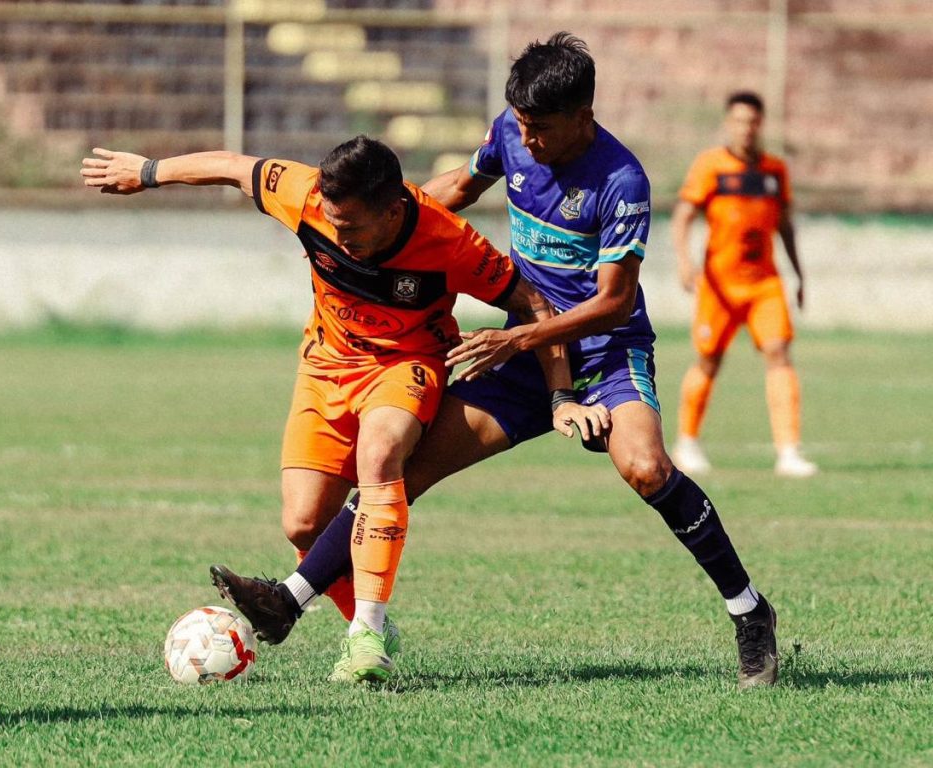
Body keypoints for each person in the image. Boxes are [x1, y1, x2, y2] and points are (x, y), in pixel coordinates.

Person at [212, 33, 780, 689]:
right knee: (397, 475)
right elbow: (457, 186)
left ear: (582, 116)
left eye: (540, 128)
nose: (527, 138)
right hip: (525, 350)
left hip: (602, 350)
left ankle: (748, 610)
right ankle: (287, 602)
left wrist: (521, 343)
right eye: (521, 124)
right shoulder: (511, 134)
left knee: (646, 467)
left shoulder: (621, 181)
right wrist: (393, 231)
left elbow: (615, 302)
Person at [81, 135, 592, 684]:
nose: (338, 236)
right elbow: (233, 166)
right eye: (332, 223)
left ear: (394, 209)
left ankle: (366, 635)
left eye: (351, 227)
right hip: (326, 366)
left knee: (381, 454)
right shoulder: (305, 195)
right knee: (303, 523)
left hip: (407, 365)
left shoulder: (449, 241)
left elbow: (533, 302)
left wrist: (560, 395)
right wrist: (149, 170)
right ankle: (366, 623)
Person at [671, 91, 817, 478]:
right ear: (727, 123)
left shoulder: (774, 171)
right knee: (709, 360)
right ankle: (686, 442)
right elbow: (683, 215)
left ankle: (788, 452)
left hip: (764, 283)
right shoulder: (711, 166)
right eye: (738, 121)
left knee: (779, 354)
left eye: (752, 121)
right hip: (719, 284)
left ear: (761, 124)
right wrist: (684, 262)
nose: (746, 129)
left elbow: (785, 225)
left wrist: (799, 274)